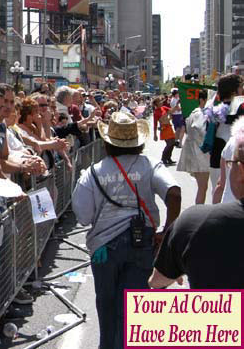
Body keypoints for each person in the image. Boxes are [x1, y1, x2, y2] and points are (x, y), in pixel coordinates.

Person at [72, 112, 181, 349]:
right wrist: (167, 233)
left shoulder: (92, 173)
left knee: (107, 304)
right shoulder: (150, 165)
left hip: (103, 249)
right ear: (138, 141)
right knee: (133, 308)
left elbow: (83, 217)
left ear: (107, 142)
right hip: (143, 245)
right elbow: (174, 193)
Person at [149, 123, 244, 289]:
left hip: (219, 313)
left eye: (231, 163)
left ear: (241, 170)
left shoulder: (195, 222)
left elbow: (156, 282)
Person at [176, 89, 210, 204]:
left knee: (202, 187)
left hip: (195, 152)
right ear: (202, 100)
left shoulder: (194, 112)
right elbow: (201, 131)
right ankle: (198, 213)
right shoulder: (200, 113)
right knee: (203, 187)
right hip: (199, 154)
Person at [152, 97, 176, 166]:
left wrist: (177, 105)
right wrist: (155, 134)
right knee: (169, 144)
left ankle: (169, 158)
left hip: (169, 127)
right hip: (164, 129)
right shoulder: (156, 112)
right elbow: (155, 124)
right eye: (159, 101)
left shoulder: (164, 107)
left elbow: (171, 111)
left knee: (172, 143)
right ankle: (163, 158)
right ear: (156, 103)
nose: (161, 102)